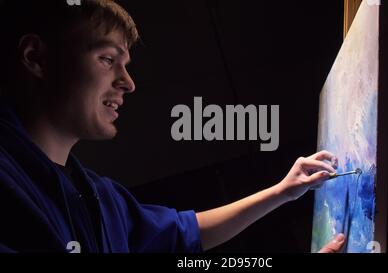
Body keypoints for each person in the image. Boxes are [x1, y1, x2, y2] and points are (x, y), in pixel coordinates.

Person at [0, 0, 345, 253]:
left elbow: (183, 232)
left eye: (126, 64)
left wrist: (282, 191)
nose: (128, 83)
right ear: (35, 57)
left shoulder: (96, 194)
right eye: (106, 59)